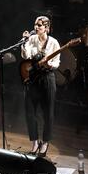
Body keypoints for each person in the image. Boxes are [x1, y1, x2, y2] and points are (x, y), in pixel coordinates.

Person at [21, 16, 60, 157]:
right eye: (35, 25)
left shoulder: (54, 43)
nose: (36, 27)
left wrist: (50, 64)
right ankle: (35, 142)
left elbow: (57, 62)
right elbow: (26, 56)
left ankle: (45, 142)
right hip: (33, 79)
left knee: (48, 113)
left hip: (47, 78)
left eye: (40, 25)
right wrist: (24, 42)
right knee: (30, 112)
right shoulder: (32, 39)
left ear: (47, 28)